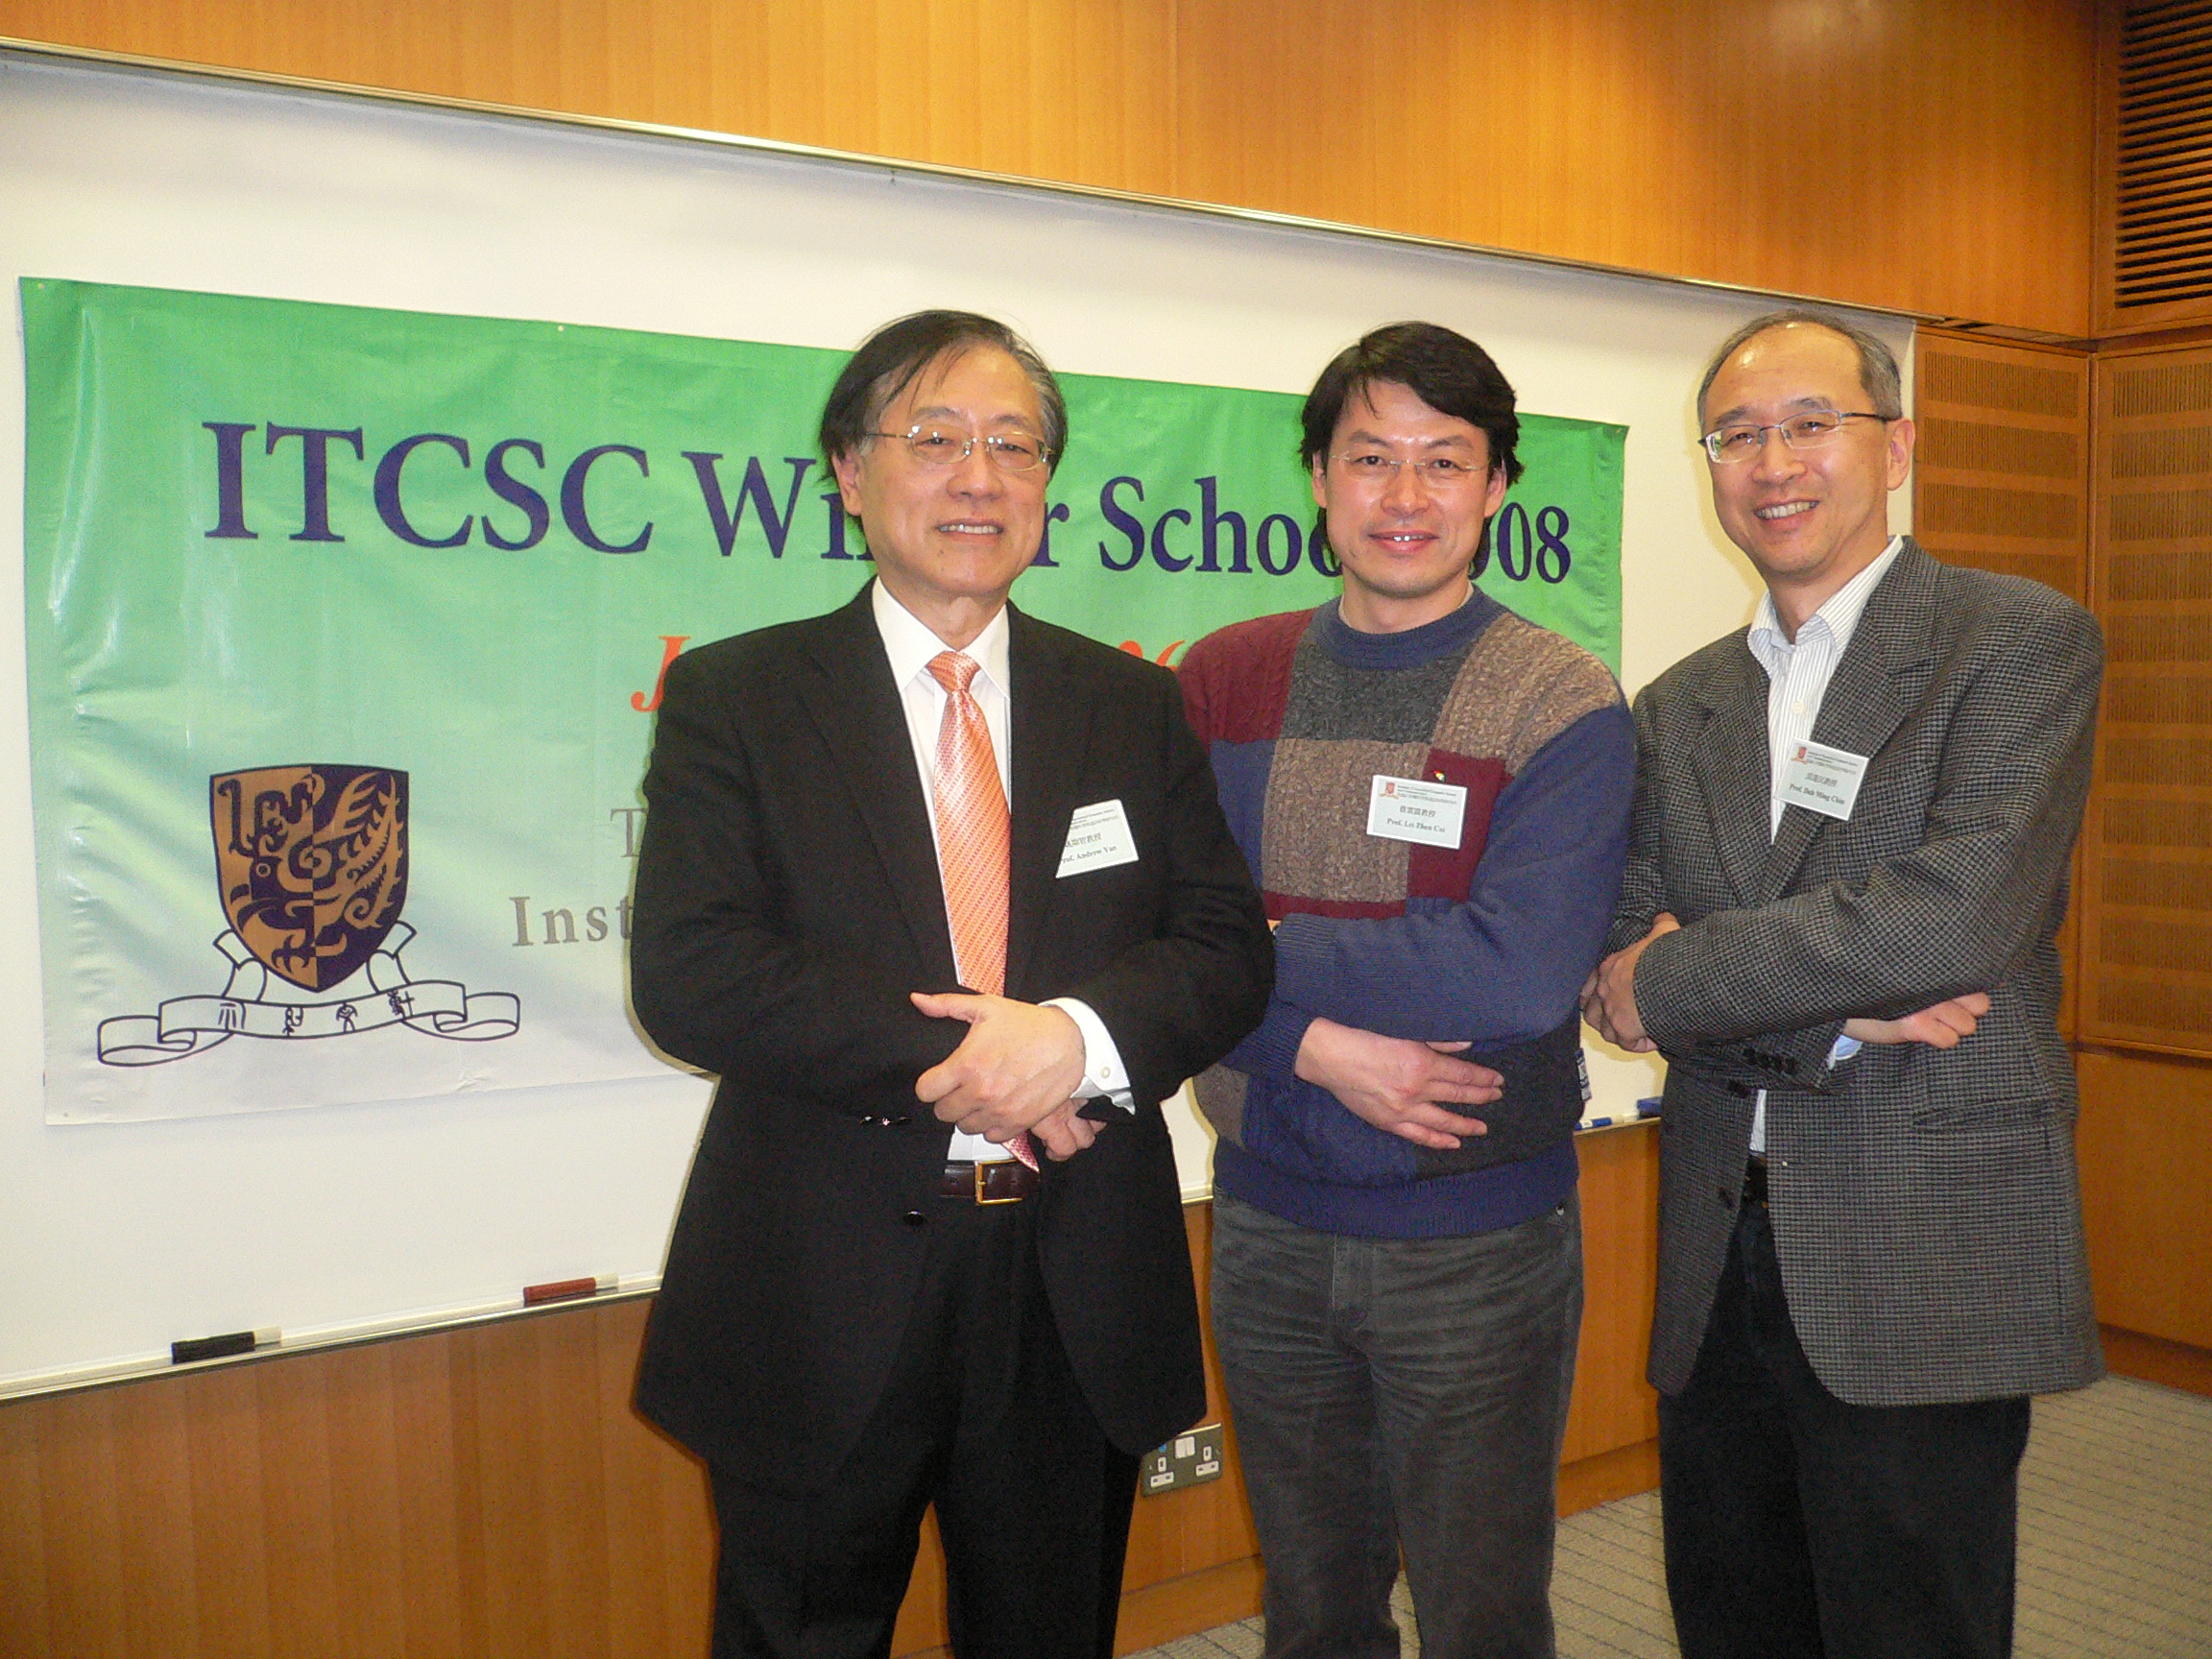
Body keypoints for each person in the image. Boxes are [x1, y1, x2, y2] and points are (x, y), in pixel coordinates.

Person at [628, 309, 1274, 1659]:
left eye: (1013, 445)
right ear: (850, 473)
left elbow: (1223, 947)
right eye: (934, 439)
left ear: (1045, 486)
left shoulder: (1131, 703)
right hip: (820, 1274)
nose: (977, 477)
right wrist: (989, 1066)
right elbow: (692, 970)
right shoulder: (739, 697)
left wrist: (1077, 1040)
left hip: (1071, 1279)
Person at [1579, 308, 2104, 1659]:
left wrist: (1691, 972)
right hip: (1718, 1241)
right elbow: (1615, 974)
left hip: (1917, 1234)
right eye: (1738, 435)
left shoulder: (2016, 643)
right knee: (1735, 1618)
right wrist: (1834, 1002)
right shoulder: (1675, 704)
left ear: (1899, 444)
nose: (1773, 461)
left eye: (1812, 424)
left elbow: (1952, 922)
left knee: (1911, 1627)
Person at [1178, 322, 1636, 1659]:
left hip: (1478, 1236)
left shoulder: (1558, 696)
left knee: (1483, 1609)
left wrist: (1251, 954)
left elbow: (1518, 965)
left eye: (1447, 461)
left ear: (1498, 486)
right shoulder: (1227, 678)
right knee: (1313, 1610)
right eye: (1371, 457)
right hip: (1265, 1217)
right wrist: (1315, 1041)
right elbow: (1161, 937)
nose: (1406, 495)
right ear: (1318, 475)